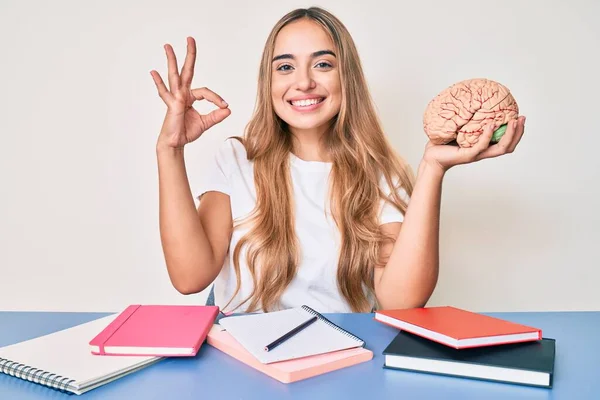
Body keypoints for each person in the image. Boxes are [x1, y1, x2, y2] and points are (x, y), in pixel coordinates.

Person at [150, 7, 525, 314]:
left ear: (348, 78)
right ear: (269, 83)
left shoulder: (379, 175)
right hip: (245, 364)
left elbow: (400, 301)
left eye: (323, 64)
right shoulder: (236, 159)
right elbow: (189, 278)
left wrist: (433, 168)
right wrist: (170, 150)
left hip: (342, 360)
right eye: (285, 67)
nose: (304, 82)